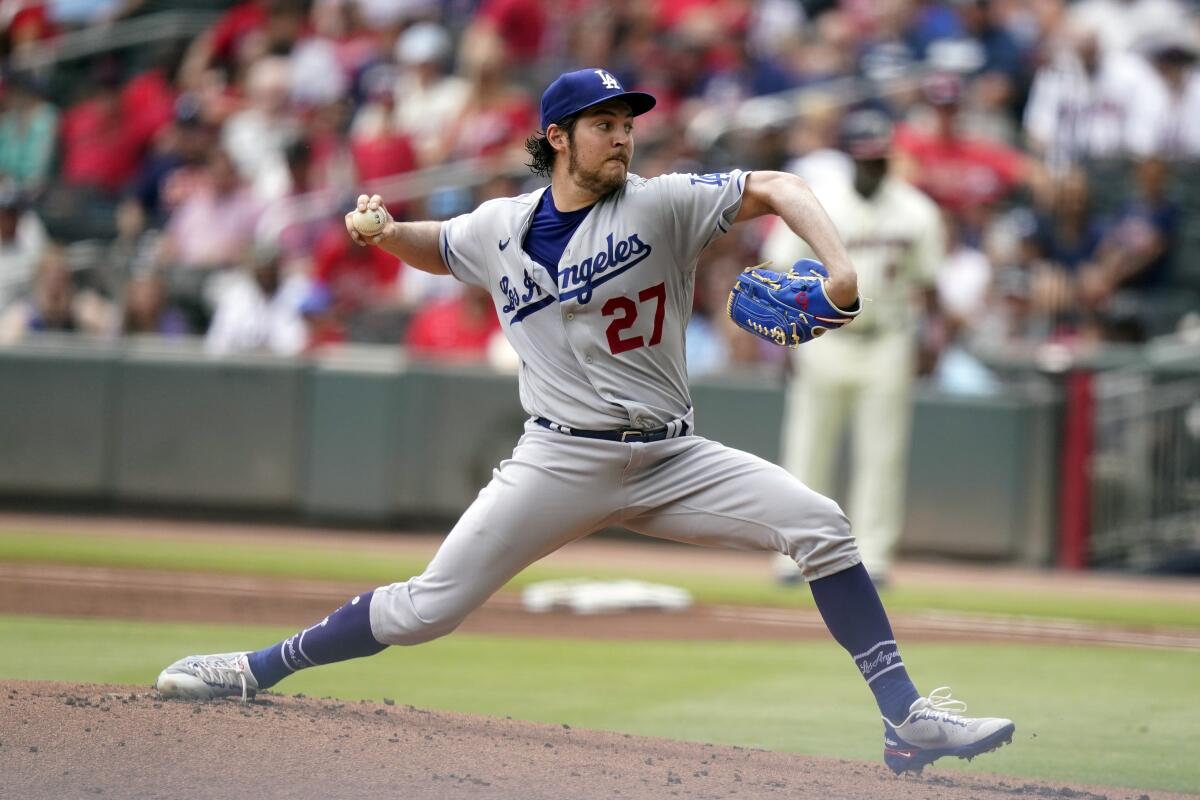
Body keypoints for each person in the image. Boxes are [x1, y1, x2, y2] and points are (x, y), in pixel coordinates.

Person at [155, 67, 1014, 776]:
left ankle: (907, 722)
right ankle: (253, 669)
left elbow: (782, 185)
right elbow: (442, 244)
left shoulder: (663, 203)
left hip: (675, 458)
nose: (623, 136)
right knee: (428, 610)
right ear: (557, 138)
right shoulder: (501, 226)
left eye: (627, 122)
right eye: (603, 123)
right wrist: (384, 234)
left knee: (823, 527)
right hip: (557, 462)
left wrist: (841, 274)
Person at [762, 109, 945, 586]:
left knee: (882, 455)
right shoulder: (817, 204)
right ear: (848, 157)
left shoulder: (917, 210)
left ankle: (874, 559)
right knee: (807, 449)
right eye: (864, 158)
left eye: (879, 157)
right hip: (824, 337)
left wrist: (932, 340)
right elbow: (782, 270)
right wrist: (788, 340)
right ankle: (794, 556)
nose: (873, 166)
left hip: (888, 336)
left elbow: (928, 285)